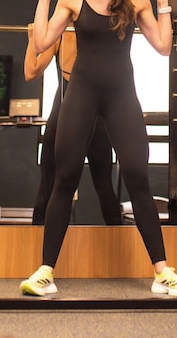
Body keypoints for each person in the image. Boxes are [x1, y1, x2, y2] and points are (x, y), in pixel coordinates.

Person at [20, 0, 177, 297]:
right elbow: (42, 41)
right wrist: (43, 0)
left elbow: (164, 46)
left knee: (138, 177)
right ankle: (45, 272)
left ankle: (162, 272)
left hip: (121, 96)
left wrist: (164, 4)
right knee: (65, 177)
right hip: (81, 94)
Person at [24, 25, 122, 225]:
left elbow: (30, 72)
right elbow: (30, 72)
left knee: (99, 188)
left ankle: (40, 246)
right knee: (52, 187)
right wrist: (33, 39)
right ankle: (40, 238)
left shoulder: (63, 33)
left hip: (78, 115)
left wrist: (32, 39)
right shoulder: (66, 34)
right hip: (80, 114)